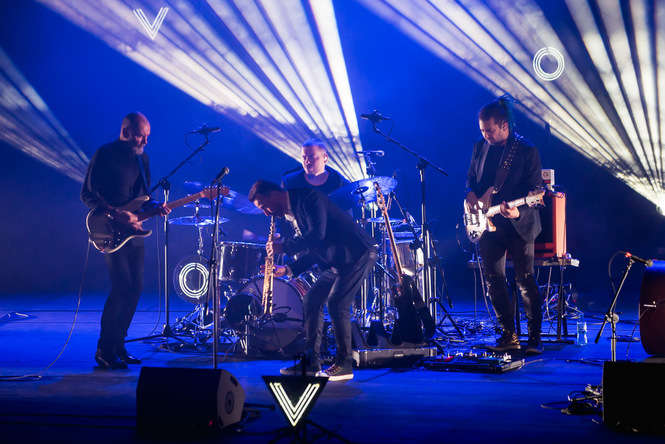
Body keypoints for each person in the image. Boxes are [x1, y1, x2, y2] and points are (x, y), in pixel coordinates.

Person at [249, 180, 376, 381]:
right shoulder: (292, 211)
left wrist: (285, 247)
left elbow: (317, 236)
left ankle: (344, 364)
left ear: (274, 194)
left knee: (337, 304)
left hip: (356, 253)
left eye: (265, 206)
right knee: (311, 301)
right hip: (336, 260)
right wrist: (288, 269)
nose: (266, 213)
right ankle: (311, 363)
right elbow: (316, 248)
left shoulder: (309, 199)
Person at [81, 112, 170, 369]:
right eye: (141, 135)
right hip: (109, 229)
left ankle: (119, 345)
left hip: (134, 231)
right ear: (126, 131)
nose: (145, 141)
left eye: (147, 136)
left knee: (135, 289)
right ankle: (104, 349)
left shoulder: (143, 159)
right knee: (121, 287)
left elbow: (143, 197)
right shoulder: (105, 154)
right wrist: (113, 212)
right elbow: (87, 194)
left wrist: (156, 207)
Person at [465, 98, 544, 354]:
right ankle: (508, 335)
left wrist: (518, 210)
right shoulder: (480, 147)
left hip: (518, 223)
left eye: (489, 130)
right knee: (493, 280)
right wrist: (470, 195)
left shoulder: (526, 150)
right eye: (482, 130)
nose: (485, 135)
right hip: (487, 223)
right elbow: (471, 180)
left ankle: (534, 338)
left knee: (525, 279)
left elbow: (537, 190)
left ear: (505, 125)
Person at [281, 139, 349, 195]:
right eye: (304, 157)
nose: (307, 161)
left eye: (311, 157)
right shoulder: (289, 182)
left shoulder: (340, 183)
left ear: (325, 157)